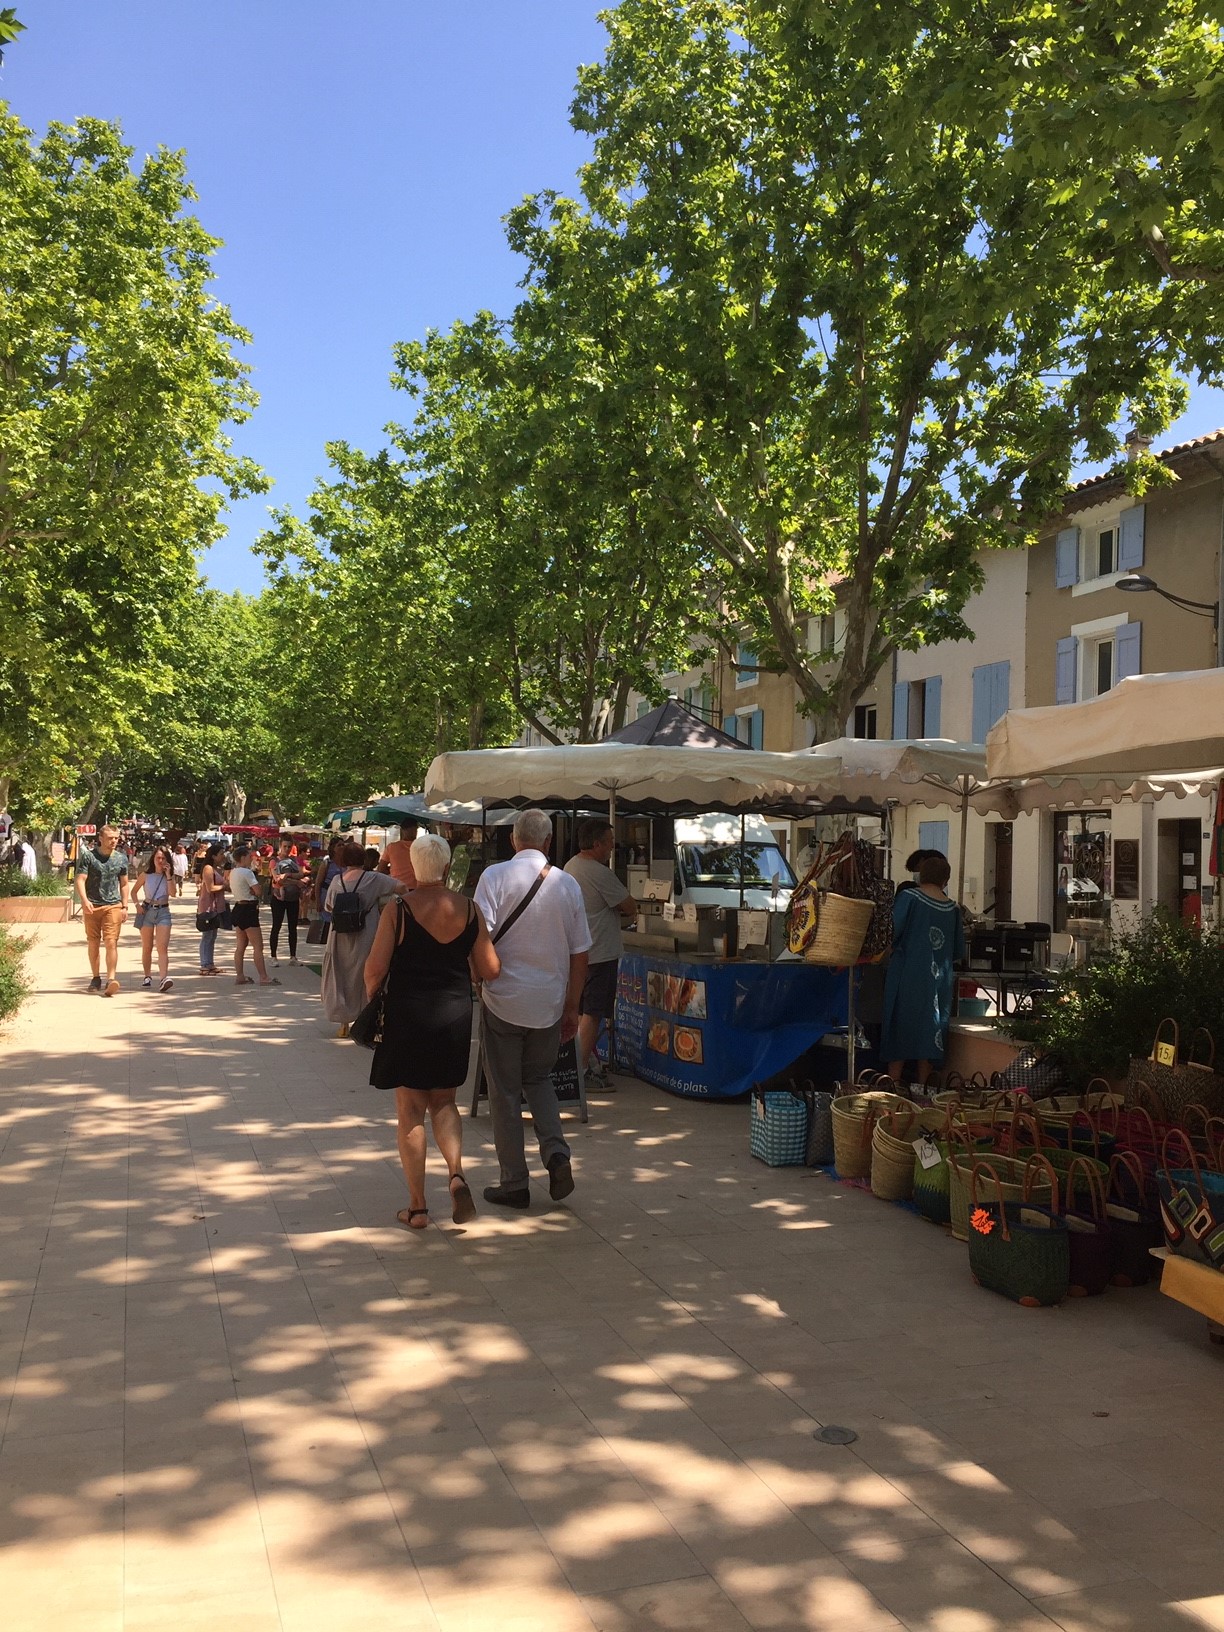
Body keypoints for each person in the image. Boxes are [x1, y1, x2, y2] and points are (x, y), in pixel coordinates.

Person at [364, 832, 500, 1230]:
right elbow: (491, 969)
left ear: (415, 866)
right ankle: (456, 1173)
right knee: (445, 1102)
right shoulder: (471, 909)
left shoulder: (399, 909)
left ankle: (419, 1207)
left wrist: (373, 999)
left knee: (410, 1112)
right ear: (445, 867)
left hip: (408, 1015)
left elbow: (374, 970)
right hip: (454, 1014)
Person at [474, 808, 591, 1211]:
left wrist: (481, 980)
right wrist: (573, 1007)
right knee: (539, 1080)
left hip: (503, 1000)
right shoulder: (568, 885)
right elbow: (581, 954)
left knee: (505, 1094)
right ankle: (556, 1154)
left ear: (513, 840)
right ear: (548, 842)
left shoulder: (492, 878)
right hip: (549, 1002)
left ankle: (514, 1182)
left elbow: (479, 939)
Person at [563, 818, 636, 1093]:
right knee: (592, 1014)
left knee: (581, 1011)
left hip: (579, 951)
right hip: (600, 951)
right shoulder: (599, 872)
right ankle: (579, 1072)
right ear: (596, 844)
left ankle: (581, 1065)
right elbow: (629, 905)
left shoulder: (571, 865)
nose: (611, 848)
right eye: (609, 843)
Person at [880, 853, 965, 1086]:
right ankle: (923, 1087)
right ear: (945, 880)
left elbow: (890, 932)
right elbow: (958, 950)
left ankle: (893, 1086)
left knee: (901, 1026)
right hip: (939, 981)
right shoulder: (953, 908)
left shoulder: (909, 898)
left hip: (906, 973)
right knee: (930, 1028)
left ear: (920, 876)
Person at [321, 839, 405, 1035]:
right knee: (367, 975)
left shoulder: (336, 881)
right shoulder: (374, 879)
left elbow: (329, 906)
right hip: (367, 934)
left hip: (339, 936)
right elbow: (401, 887)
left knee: (341, 976)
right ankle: (367, 1019)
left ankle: (343, 1023)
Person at [74, 824, 131, 995]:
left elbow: (125, 883)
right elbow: (80, 879)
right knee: (93, 942)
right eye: (110, 838)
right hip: (92, 905)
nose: (114, 841)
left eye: (116, 838)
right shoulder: (89, 857)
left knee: (111, 941)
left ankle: (111, 979)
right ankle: (96, 977)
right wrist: (84, 901)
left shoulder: (121, 858)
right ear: (101, 838)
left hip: (113, 905)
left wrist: (125, 905)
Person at [228, 844, 279, 987]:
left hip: (238, 907)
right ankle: (263, 977)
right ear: (243, 857)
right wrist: (255, 890)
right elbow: (258, 891)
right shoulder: (247, 872)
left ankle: (240, 976)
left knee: (241, 945)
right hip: (249, 909)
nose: (251, 859)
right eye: (249, 857)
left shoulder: (233, 872)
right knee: (258, 946)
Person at [132, 845, 175, 991]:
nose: (160, 861)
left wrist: (168, 875)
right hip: (147, 911)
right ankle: (147, 975)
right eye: (158, 858)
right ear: (153, 859)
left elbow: (173, 893)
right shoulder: (146, 875)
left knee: (162, 947)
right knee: (147, 946)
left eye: (163, 858)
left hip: (163, 911)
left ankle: (164, 978)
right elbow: (133, 892)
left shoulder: (169, 876)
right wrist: (137, 905)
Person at [269, 837, 303, 965]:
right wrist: (296, 882)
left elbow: (301, 873)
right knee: (276, 926)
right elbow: (277, 879)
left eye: (289, 846)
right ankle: (273, 956)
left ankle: (293, 956)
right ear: (280, 846)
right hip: (278, 897)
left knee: (292, 927)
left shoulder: (293, 860)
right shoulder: (274, 861)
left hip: (293, 897)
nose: (287, 849)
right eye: (285, 846)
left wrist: (288, 875)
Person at [196, 843, 228, 976]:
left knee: (212, 936)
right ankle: (204, 964)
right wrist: (224, 887)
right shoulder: (208, 869)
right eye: (221, 854)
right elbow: (211, 888)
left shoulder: (216, 868)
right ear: (214, 856)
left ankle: (210, 963)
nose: (223, 856)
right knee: (207, 936)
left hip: (215, 907)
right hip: (208, 906)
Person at [312, 836, 346, 943]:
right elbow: (318, 883)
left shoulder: (347, 863)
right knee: (328, 926)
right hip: (327, 896)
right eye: (338, 845)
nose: (341, 847)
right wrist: (318, 901)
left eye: (342, 845)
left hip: (342, 897)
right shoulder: (327, 863)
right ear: (333, 848)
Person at [377, 819, 421, 888]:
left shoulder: (391, 847)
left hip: (397, 887)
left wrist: (394, 870)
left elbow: (381, 869)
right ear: (416, 830)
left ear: (402, 830)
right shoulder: (422, 847)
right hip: (416, 887)